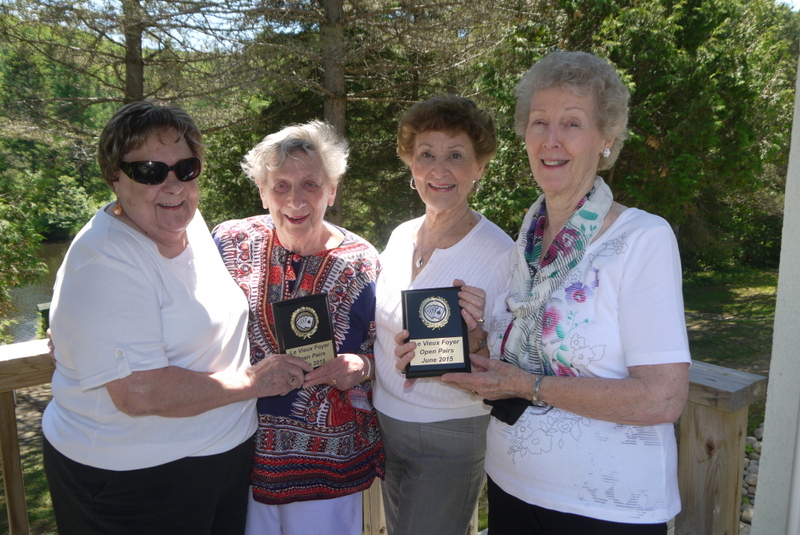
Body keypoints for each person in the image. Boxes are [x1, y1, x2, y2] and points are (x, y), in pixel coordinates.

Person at [440, 51, 692, 534]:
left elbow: (662, 398)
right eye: (539, 122)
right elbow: (516, 357)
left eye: (571, 124)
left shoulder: (642, 238)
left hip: (605, 509)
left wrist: (525, 386)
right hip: (513, 490)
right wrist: (470, 342)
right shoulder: (528, 237)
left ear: (606, 138)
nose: (551, 140)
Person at [42, 100, 312, 535]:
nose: (172, 184)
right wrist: (256, 382)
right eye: (149, 170)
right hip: (134, 482)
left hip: (221, 462)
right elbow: (140, 392)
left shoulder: (186, 222)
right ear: (115, 175)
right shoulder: (104, 262)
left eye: (185, 168)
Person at [212, 121, 384, 535]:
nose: (295, 199)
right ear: (262, 190)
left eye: (310, 184)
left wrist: (361, 366)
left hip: (330, 465)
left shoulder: (363, 261)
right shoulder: (229, 241)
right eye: (281, 185)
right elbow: (180, 304)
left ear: (331, 190)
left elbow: (388, 348)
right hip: (241, 455)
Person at [373, 95, 515, 535]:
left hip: (450, 431)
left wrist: (473, 337)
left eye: (456, 155)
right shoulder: (399, 237)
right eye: (426, 155)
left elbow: (510, 360)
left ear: (479, 168)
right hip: (386, 424)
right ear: (410, 165)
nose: (439, 169)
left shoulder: (499, 253)